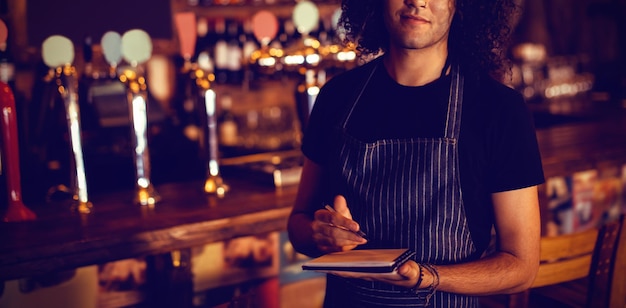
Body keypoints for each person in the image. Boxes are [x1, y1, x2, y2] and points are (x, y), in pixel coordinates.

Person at [287, 0, 545, 306]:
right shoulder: (337, 97)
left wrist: (425, 276)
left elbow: (522, 267)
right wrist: (318, 233)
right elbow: (298, 226)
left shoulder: (499, 110)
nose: (418, 2)